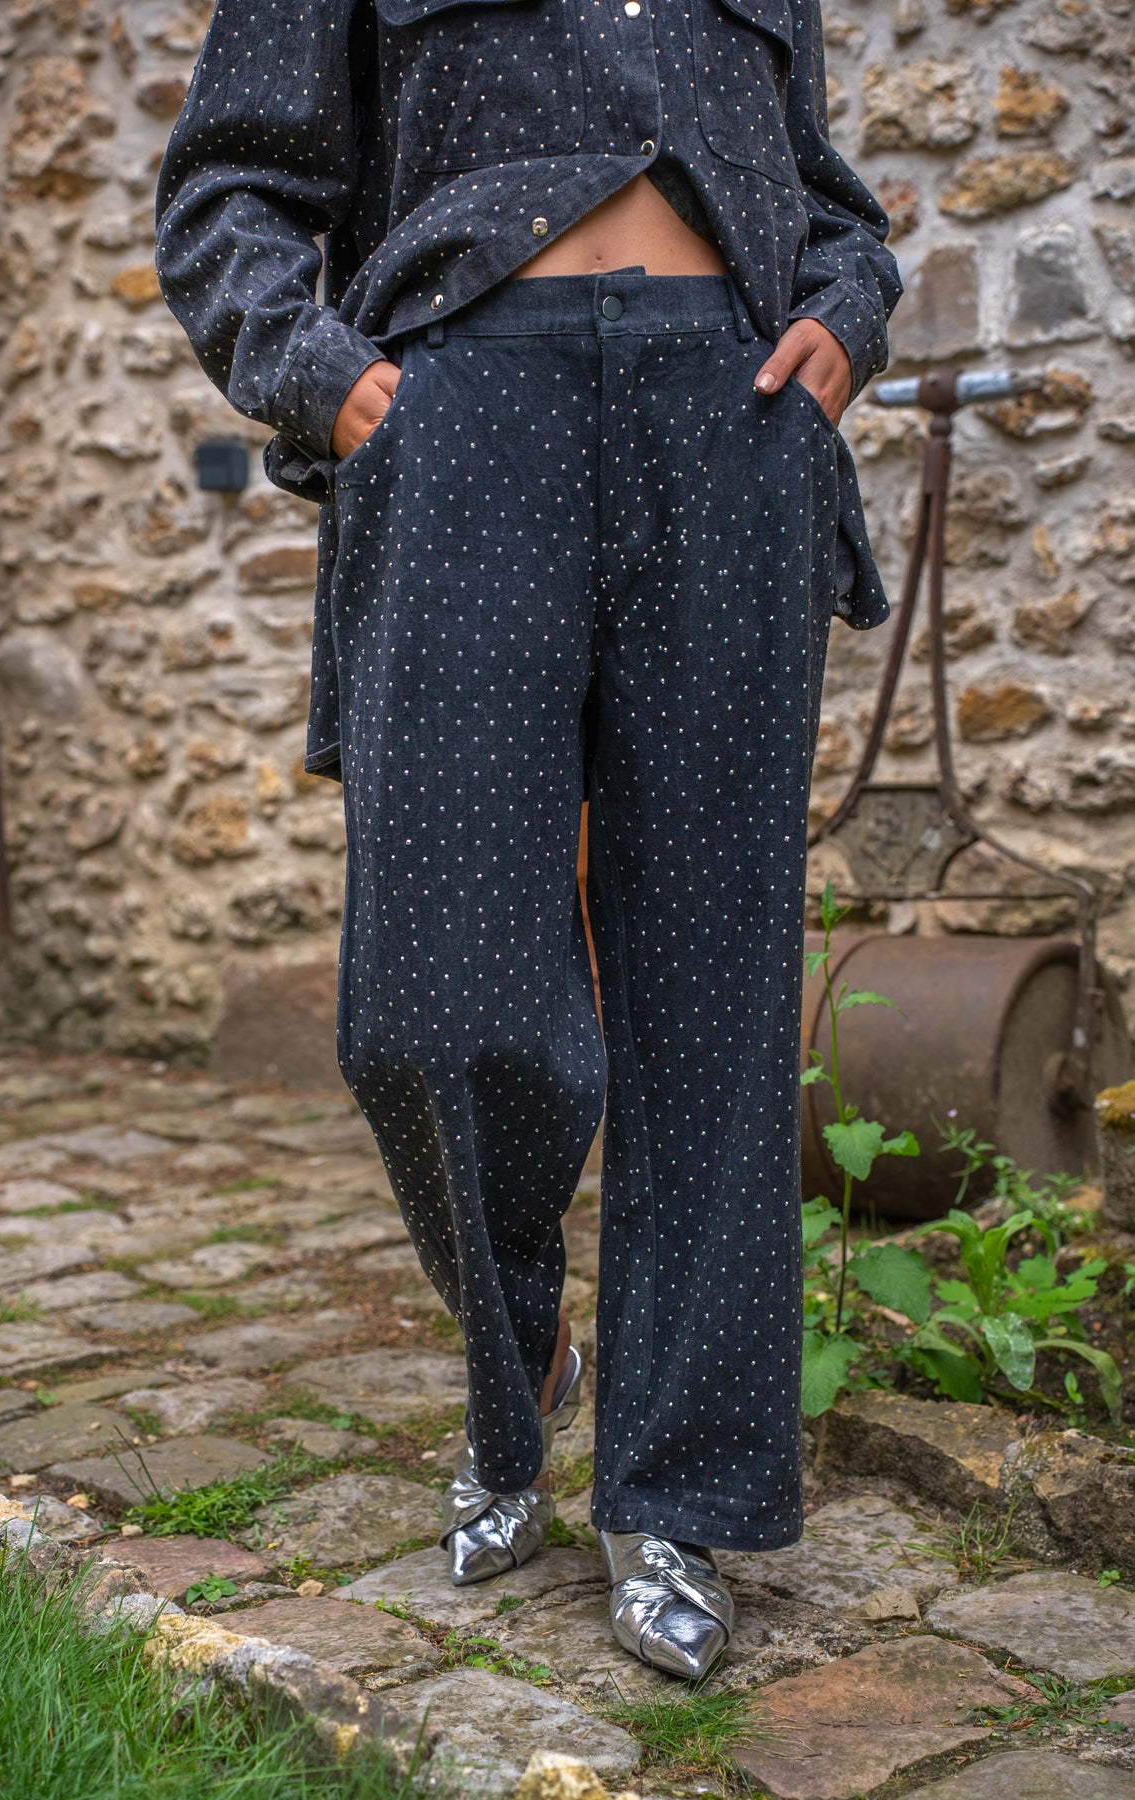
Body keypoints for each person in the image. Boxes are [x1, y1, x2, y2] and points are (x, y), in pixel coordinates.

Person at [156, 0, 902, 1680]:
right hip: (461, 411)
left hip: (729, 412)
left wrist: (844, 315)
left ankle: (674, 1495)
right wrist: (330, 381)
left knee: (711, 991)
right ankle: (525, 1366)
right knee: (434, 1001)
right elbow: (226, 191)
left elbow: (821, 197)